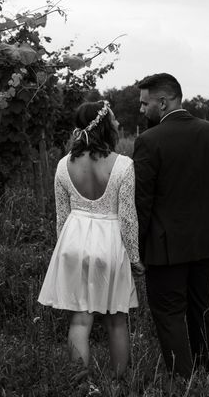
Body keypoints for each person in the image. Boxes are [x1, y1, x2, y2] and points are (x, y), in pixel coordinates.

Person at [133, 73, 209, 379]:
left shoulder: (148, 142)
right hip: (208, 241)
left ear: (163, 102)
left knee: (168, 312)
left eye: (145, 103)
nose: (141, 110)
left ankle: (184, 380)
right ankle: (204, 371)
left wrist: (136, 249)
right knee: (200, 306)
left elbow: (142, 202)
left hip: (165, 248)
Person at [38, 100, 145, 382]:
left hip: (73, 241)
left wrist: (66, 250)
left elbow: (61, 216)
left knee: (80, 320)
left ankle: (79, 384)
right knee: (117, 320)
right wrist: (134, 257)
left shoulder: (63, 165)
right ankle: (120, 383)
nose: (118, 124)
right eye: (113, 119)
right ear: (102, 125)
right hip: (109, 243)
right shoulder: (123, 165)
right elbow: (128, 218)